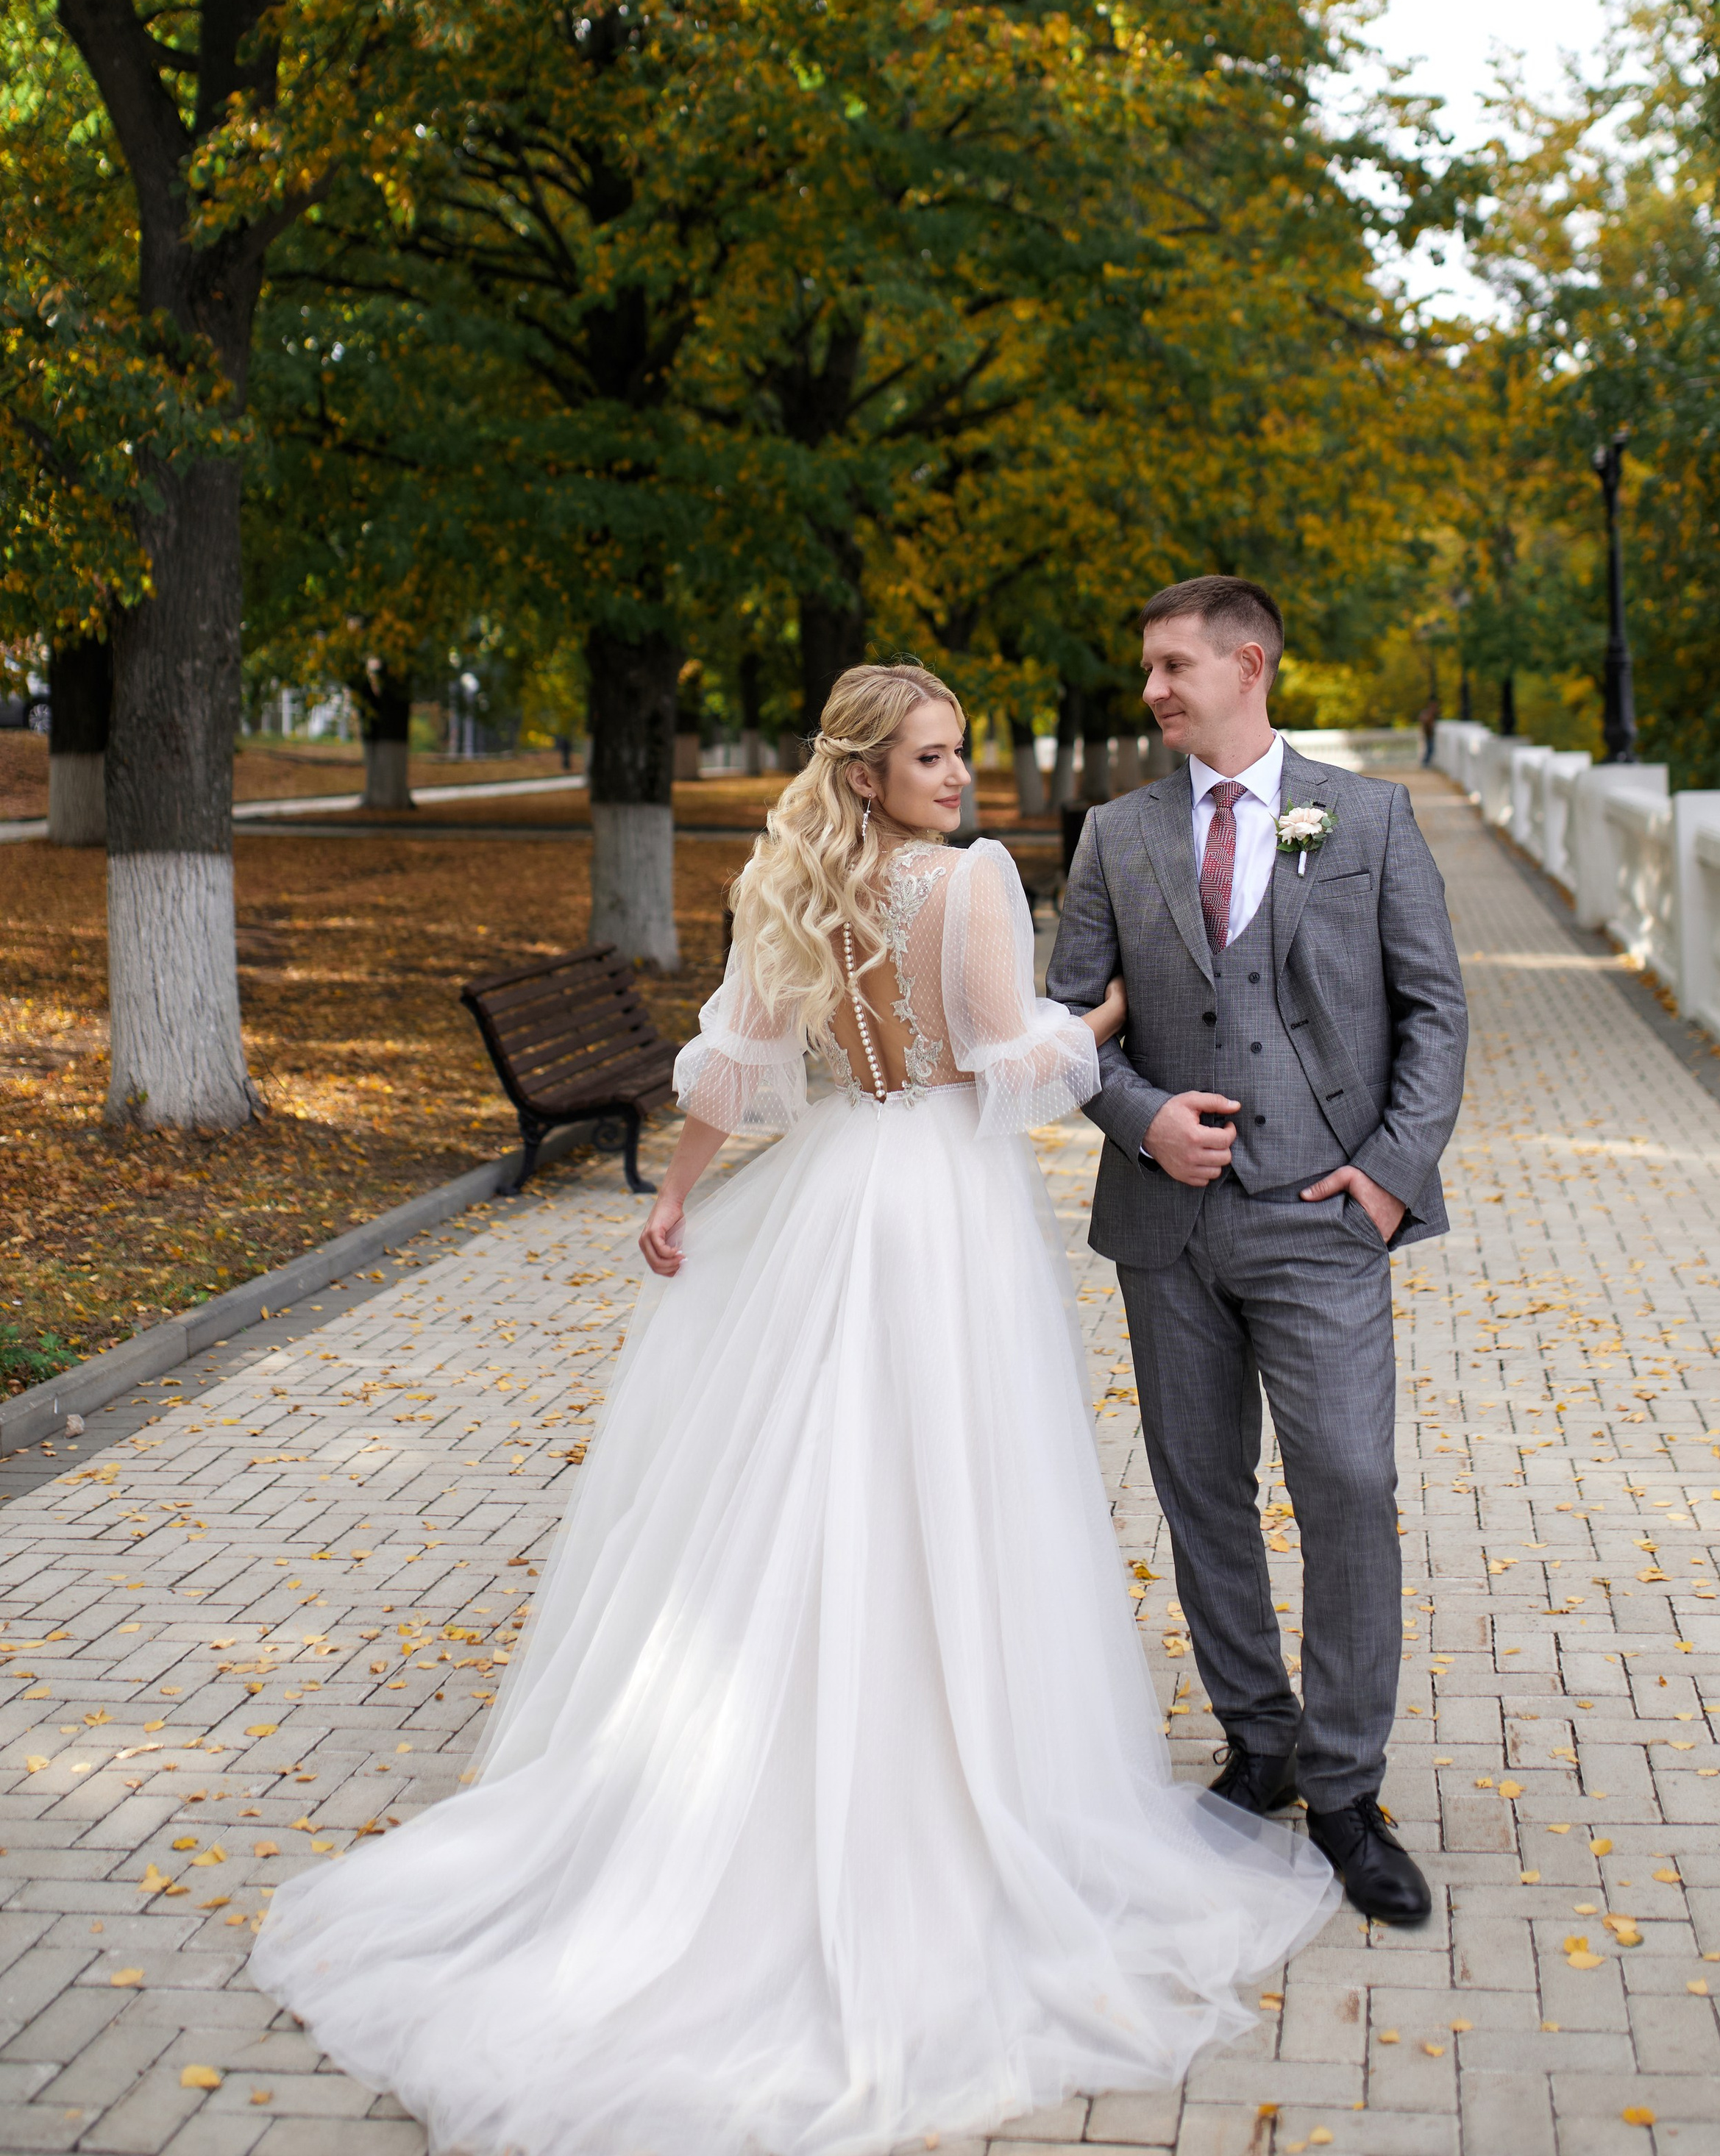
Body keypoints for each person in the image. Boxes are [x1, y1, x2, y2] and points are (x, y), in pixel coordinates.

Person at [249, 661, 1337, 2156]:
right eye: (931, 756)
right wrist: (1098, 1013)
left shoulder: (793, 884)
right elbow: (993, 1063)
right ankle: (943, 1784)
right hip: (932, 1211)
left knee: (803, 1479)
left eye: (958, 753)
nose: (957, 776)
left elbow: (739, 1067)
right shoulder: (968, 887)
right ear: (872, 772)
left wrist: (681, 1200)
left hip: (826, 1196)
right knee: (939, 1475)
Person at [1048, 579, 1468, 1926]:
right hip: (1168, 1228)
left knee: (1347, 1482)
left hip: (1324, 1220)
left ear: (1250, 664)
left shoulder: (1371, 814)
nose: (1155, 689)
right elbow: (1067, 1029)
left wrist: (1390, 1181)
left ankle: (1348, 1786)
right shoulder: (1114, 832)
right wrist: (1141, 1114)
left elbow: (1437, 1012)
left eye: (1174, 666)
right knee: (1200, 1487)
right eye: (1149, 669)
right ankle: (1264, 1735)